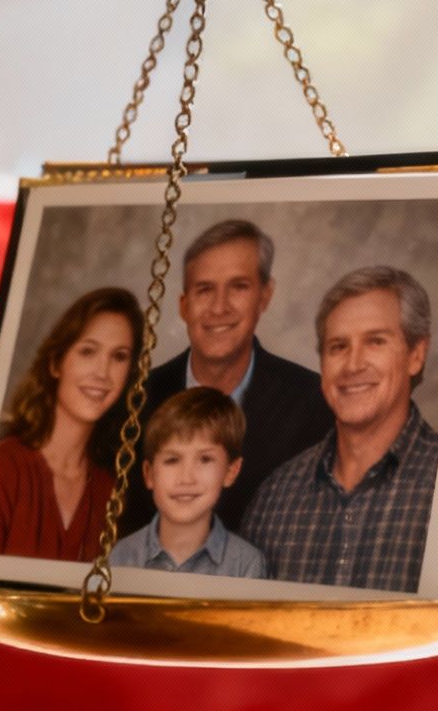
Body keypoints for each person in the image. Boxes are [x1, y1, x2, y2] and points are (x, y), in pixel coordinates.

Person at [120, 219, 333, 536]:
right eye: (204, 290)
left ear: (265, 295)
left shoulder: (315, 404)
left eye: (238, 287)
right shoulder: (136, 400)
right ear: (184, 305)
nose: (219, 308)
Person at [242, 266, 438, 593]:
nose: (352, 365)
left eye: (375, 341)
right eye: (338, 346)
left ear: (416, 355)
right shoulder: (274, 498)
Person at [0, 287, 143, 561]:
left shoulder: (111, 490)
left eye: (119, 356)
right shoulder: (2, 467)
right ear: (55, 363)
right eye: (88, 351)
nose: (102, 372)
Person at [110, 387, 269, 578]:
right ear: (149, 474)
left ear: (230, 471)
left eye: (205, 460)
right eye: (172, 460)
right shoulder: (120, 557)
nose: (186, 478)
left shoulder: (246, 565)